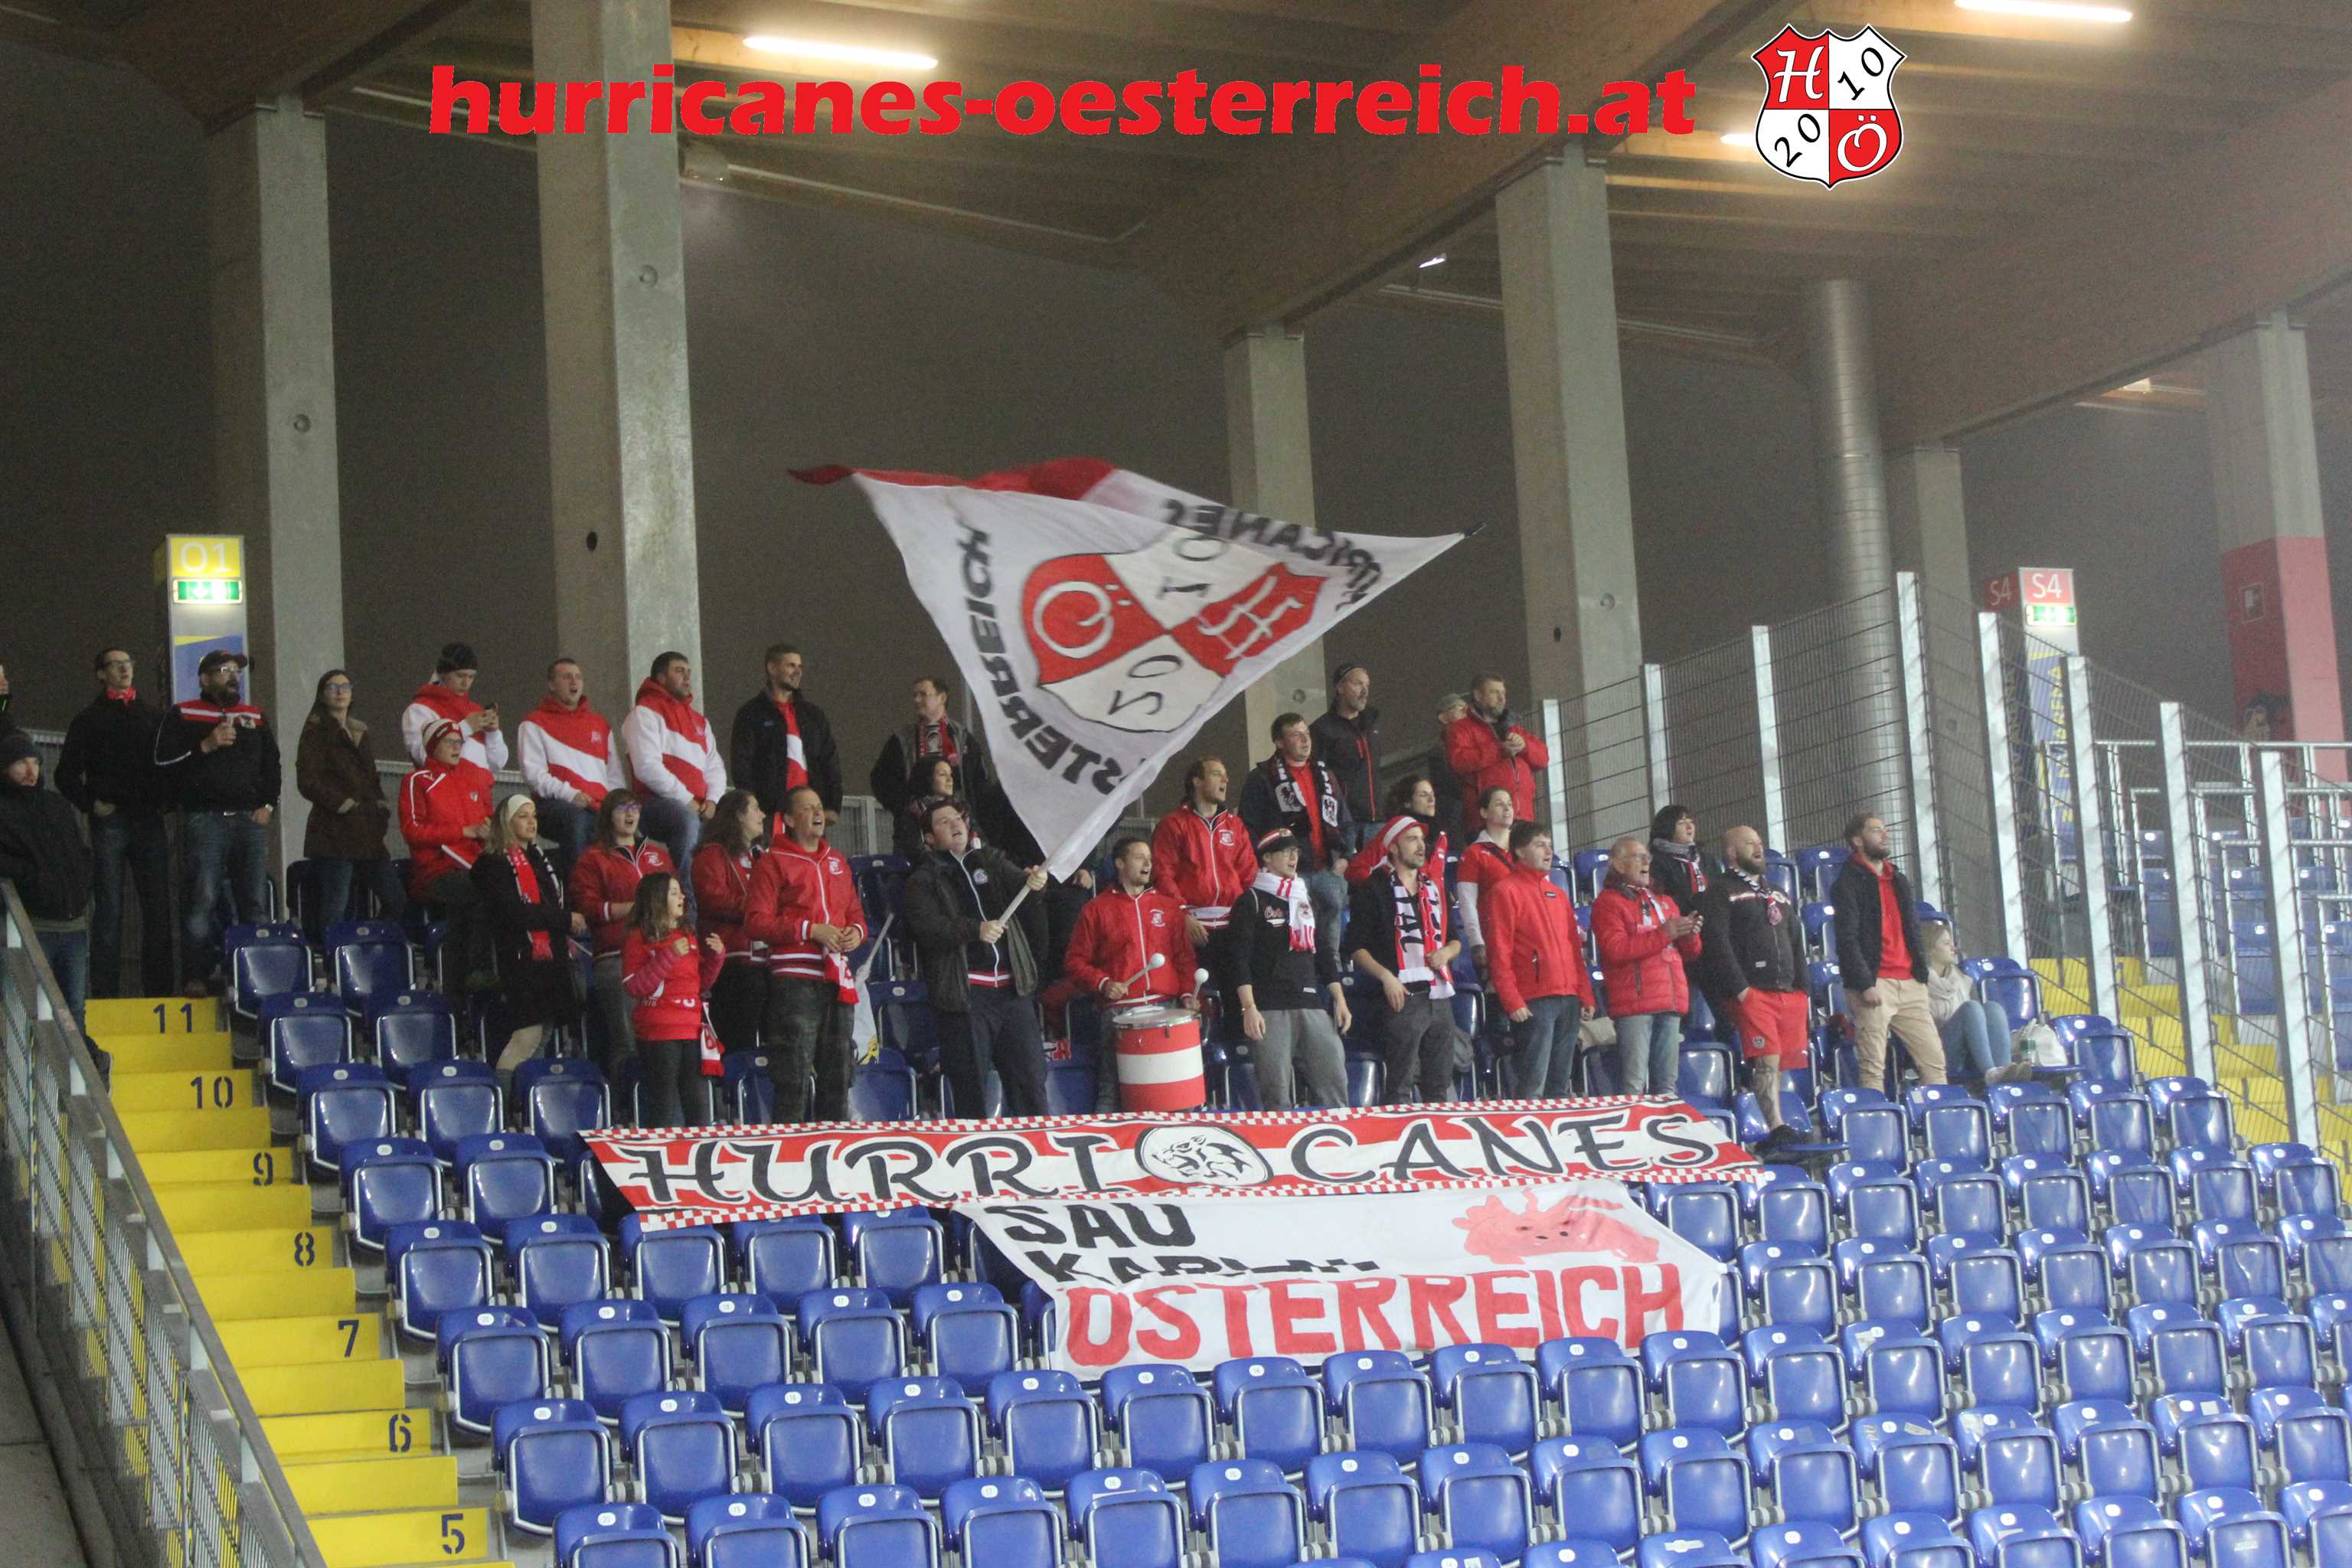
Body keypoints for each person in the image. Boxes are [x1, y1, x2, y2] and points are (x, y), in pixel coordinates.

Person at [905, 796, 1053, 1119]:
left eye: (957, 818)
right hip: (967, 998)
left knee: (1031, 1085)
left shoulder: (991, 860)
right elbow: (930, 929)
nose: (955, 824)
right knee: (971, 1091)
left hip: (1014, 993)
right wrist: (975, 930)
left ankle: (1039, 1146)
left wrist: (1035, 882)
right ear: (929, 838)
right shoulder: (922, 880)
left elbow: (1023, 888)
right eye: (943, 822)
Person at [155, 650, 278, 995]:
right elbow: (162, 764)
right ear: (204, 679)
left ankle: (258, 980)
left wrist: (268, 804)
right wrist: (206, 746)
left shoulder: (255, 716)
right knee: (203, 898)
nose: (233, 675)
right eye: (224, 670)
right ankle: (197, 975)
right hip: (205, 819)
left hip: (249, 821)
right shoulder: (183, 713)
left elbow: (273, 765)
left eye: (236, 670)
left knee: (254, 901)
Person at [745, 786, 868, 1124]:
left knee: (839, 1075)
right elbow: (755, 922)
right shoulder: (772, 862)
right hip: (794, 981)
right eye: (807, 808)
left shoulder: (837, 861)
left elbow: (855, 914)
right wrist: (810, 930)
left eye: (819, 806)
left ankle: (834, 1147)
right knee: (793, 1076)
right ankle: (790, 1150)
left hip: (837, 979)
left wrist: (855, 934)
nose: (817, 813)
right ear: (787, 819)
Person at [55, 646, 172, 998]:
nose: (124, 670)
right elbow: (65, 774)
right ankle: (106, 995)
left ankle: (159, 993)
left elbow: (170, 766)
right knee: (109, 910)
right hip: (112, 820)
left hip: (148, 819)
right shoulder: (89, 719)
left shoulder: (153, 717)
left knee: (158, 908)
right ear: (101, 673)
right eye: (116, 665)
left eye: (128, 664)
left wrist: (164, 803)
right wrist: (91, 804)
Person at [1063, 835, 1199, 1112]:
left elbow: (1184, 958)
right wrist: (1103, 983)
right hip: (1119, 1013)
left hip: (1166, 1010)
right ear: (1120, 863)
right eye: (1139, 857)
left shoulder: (1169, 908)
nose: (1148, 863)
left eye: (1149, 858)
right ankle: (1107, 1139)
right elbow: (1075, 961)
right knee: (1113, 1091)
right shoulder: (1096, 909)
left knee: (1174, 1094)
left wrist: (1187, 994)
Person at [1222, 828, 1351, 1109]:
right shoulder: (1251, 900)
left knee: (1334, 1080)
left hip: (1311, 1003)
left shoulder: (1304, 898)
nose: (1293, 858)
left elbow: (1324, 953)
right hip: (1270, 1007)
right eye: (1285, 852)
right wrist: (1249, 1007)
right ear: (1267, 858)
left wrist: (1339, 999)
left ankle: (1337, 1134)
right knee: (1276, 1092)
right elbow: (1239, 959)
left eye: (1296, 852)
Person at [1697, 825, 1808, 1137]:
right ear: (1732, 853)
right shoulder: (1721, 891)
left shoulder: (1778, 892)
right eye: (1749, 843)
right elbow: (1717, 942)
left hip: (1788, 992)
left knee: (1781, 1062)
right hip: (1753, 992)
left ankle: (1779, 1125)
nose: (1758, 848)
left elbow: (1796, 939)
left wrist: (1803, 987)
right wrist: (1741, 989)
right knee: (1767, 1060)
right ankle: (1776, 1127)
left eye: (1759, 842)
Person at [1348, 815, 1462, 1106]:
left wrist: (1446, 953)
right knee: (1400, 1084)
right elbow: (1355, 947)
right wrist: (1386, 977)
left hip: (1439, 993)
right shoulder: (1374, 888)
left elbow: (1454, 939)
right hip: (1403, 996)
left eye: (1422, 840)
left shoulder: (1432, 887)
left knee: (1439, 1085)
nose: (1421, 846)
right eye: (1412, 839)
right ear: (1393, 847)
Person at [1831, 812, 1946, 1094]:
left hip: (1910, 982)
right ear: (1858, 840)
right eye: (1875, 830)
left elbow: (1912, 929)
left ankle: (1938, 1115)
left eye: (1884, 829)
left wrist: (1920, 973)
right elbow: (1847, 940)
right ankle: (1876, 1119)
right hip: (1875, 983)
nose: (1885, 835)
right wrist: (1864, 984)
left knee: (1934, 1062)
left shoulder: (1898, 879)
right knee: (1873, 1067)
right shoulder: (1847, 883)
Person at [472, 794, 586, 1076]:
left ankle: (523, 1093)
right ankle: (503, 1095)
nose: (532, 822)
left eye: (534, 816)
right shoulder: (494, 863)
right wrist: (565, 920)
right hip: (521, 959)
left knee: (542, 1033)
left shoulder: (539, 859)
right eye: (523, 816)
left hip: (550, 960)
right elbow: (514, 912)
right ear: (506, 822)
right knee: (527, 1035)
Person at [1479, 822, 1594, 1098]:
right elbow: (1499, 952)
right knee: (1532, 1083)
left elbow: (1574, 951)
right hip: (1534, 1001)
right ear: (1519, 851)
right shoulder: (1505, 891)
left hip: (1568, 999)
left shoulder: (1559, 895)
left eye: (1550, 845)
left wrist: (1585, 995)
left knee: (1560, 1084)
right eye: (1540, 845)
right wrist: (1512, 1000)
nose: (1549, 851)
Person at [569, 789, 676, 1076]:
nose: (630, 814)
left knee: (665, 1043)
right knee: (629, 1044)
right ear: (607, 816)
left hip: (662, 954)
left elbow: (679, 899)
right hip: (618, 956)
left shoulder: (658, 854)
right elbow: (588, 907)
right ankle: (625, 1101)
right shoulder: (593, 858)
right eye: (622, 809)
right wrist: (636, 908)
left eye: (635, 807)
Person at [294, 669, 404, 942]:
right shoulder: (315, 730)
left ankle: (369, 943)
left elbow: (371, 776)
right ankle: (333, 956)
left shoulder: (359, 731)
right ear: (322, 695)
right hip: (334, 832)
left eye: (345, 687)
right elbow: (307, 780)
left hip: (366, 830)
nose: (340, 692)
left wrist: (380, 805)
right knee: (335, 905)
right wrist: (342, 804)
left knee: (396, 899)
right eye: (333, 687)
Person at [1591, 835, 1703, 1096]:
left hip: (1671, 1001)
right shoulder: (1608, 903)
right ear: (1618, 865)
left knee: (1667, 1086)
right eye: (1638, 857)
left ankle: (1665, 1125)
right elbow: (1616, 950)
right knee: (1634, 1084)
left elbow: (1691, 953)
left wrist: (1689, 934)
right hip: (1635, 1004)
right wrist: (1665, 933)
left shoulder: (1664, 901)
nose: (1646, 862)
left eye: (1647, 857)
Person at [0, 731, 93, 1026]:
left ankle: (79, 1057)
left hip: (73, 925)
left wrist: (82, 886)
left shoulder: (56, 804)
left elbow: (79, 852)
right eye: (21, 763)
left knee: (74, 1007)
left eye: (35, 763)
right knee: (28, 1009)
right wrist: (31, 876)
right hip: (34, 925)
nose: (31, 771)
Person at [622, 871, 725, 1128]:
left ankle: (699, 1153)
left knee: (698, 1108)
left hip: (691, 1029)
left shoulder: (687, 935)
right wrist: (667, 957)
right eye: (674, 893)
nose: (682, 898)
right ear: (657, 899)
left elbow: (700, 984)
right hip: (658, 1033)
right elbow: (633, 986)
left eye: (681, 892)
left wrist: (717, 959)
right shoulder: (638, 937)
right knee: (664, 1107)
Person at [399, 718, 495, 989]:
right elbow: (412, 831)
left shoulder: (472, 779)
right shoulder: (417, 781)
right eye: (449, 742)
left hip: (475, 866)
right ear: (433, 746)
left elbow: (488, 820)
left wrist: (488, 833)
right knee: (483, 892)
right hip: (435, 871)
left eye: (459, 742)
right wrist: (463, 832)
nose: (456, 748)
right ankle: (477, 970)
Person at [1239, 713, 1352, 936]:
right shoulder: (1262, 777)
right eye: (1296, 735)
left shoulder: (1325, 775)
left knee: (1330, 941)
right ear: (1280, 742)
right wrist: (1264, 864)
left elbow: (1345, 820)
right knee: (1293, 936)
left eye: (1307, 733)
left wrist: (1346, 858)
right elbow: (1248, 827)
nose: (1305, 739)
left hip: (1327, 871)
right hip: (1285, 876)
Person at [517, 656, 622, 876]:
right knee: (578, 821)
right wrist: (571, 794)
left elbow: (614, 777)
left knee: (629, 826)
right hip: (553, 805)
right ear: (551, 684)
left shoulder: (600, 724)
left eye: (578, 677)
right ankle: (579, 891)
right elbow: (534, 775)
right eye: (566, 677)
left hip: (598, 806)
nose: (574, 682)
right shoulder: (534, 722)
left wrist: (618, 806)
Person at [626, 651, 727, 874]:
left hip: (699, 805)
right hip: (653, 803)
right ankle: (688, 894)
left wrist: (712, 801)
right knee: (686, 820)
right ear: (661, 678)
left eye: (689, 672)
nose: (687, 677)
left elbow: (715, 767)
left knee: (738, 820)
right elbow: (647, 767)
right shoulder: (644, 713)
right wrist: (688, 800)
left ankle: (717, 891)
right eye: (679, 671)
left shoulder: (700, 721)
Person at [691, 789, 767, 1059]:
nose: (763, 815)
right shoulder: (711, 855)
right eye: (756, 808)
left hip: (763, 962)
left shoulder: (760, 855)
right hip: (732, 965)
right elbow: (714, 900)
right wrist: (759, 910)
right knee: (738, 1044)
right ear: (738, 815)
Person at [1150, 756, 1255, 949]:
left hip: (1233, 925)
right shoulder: (1173, 824)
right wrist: (1182, 914)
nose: (1225, 780)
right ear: (1197, 781)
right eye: (1216, 774)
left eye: (1226, 775)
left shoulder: (1235, 825)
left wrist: (1247, 915)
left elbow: (1249, 875)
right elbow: (1163, 874)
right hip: (1193, 926)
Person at [729, 644, 841, 823]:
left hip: (811, 815)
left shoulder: (813, 715)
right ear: (772, 668)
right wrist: (752, 808)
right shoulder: (751, 714)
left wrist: (833, 806)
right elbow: (742, 765)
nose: (798, 672)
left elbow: (830, 761)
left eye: (800, 666)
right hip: (769, 814)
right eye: (791, 665)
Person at [870, 675, 990, 827]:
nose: (916, 700)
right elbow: (880, 780)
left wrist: (974, 817)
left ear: (942, 698)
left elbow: (981, 783)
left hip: (960, 826)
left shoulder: (963, 738)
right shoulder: (902, 740)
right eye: (915, 695)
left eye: (923, 694)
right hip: (916, 826)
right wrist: (904, 807)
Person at [1446, 673, 1549, 840]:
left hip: (1523, 818)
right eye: (1495, 692)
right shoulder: (1460, 729)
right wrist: (1499, 751)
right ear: (1478, 695)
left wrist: (1525, 746)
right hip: (1484, 821)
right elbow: (1459, 761)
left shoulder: (1513, 728)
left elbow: (1543, 758)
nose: (1502, 698)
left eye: (1503, 693)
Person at [400, 641, 509, 773]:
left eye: (471, 677)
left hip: (480, 784)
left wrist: (493, 734)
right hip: (442, 784)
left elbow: (497, 764)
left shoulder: (475, 711)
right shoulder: (420, 709)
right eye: (460, 676)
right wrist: (466, 727)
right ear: (443, 674)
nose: (466, 683)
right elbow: (423, 757)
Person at [1923, 923, 2006, 1097]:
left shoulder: (1963, 980)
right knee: (1971, 1008)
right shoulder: (1918, 983)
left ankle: (2004, 1073)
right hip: (1939, 1052)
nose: (1953, 948)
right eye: (1946, 943)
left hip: (1971, 1050)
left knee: (1993, 1008)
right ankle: (1990, 1072)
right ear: (1930, 950)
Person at [1309, 663, 1380, 848]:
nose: (1365, 691)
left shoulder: (1371, 723)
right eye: (1358, 684)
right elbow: (1316, 778)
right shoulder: (1322, 729)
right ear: (1340, 687)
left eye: (1367, 685)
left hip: (1377, 822)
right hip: (1346, 824)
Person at [1453, 786, 1517, 981]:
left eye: (1509, 804)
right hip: (1495, 937)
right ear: (1484, 812)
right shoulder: (1473, 854)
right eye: (1499, 804)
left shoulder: (1525, 848)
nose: (1507, 809)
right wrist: (1477, 942)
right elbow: (1467, 902)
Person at [1350, 774, 1452, 885]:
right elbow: (1356, 869)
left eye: (1433, 794)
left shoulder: (1441, 836)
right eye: (1424, 795)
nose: (1432, 800)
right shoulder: (1396, 829)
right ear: (1407, 802)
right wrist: (1385, 890)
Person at [891, 755, 965, 861]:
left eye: (951, 774)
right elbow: (913, 852)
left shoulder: (961, 808)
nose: (950, 780)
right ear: (927, 778)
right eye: (943, 775)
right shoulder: (910, 813)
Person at [1649, 804, 1710, 916]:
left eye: (1691, 822)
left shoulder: (1707, 859)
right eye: (1681, 823)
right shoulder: (1658, 863)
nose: (1689, 827)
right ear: (1667, 828)